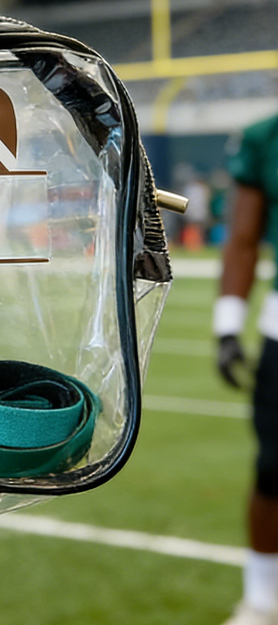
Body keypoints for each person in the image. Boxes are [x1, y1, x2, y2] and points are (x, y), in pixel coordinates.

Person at [214, 114, 278, 625]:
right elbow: (243, 235)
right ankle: (261, 599)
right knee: (273, 471)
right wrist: (228, 324)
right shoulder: (265, 137)